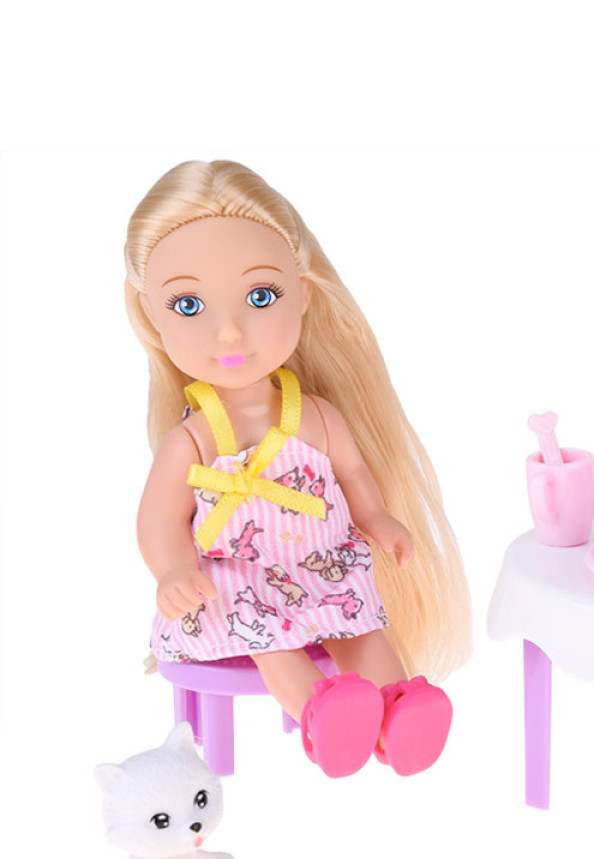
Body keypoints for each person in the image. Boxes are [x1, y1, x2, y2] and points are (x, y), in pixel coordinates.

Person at [127, 161, 470, 777]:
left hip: (320, 563)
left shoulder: (315, 415)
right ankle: (323, 715)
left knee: (360, 621)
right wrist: (174, 569)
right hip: (236, 579)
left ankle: (398, 712)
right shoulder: (194, 439)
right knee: (266, 635)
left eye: (261, 297)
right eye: (188, 305)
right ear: (151, 313)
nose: (229, 331)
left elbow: (354, 475)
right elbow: (159, 519)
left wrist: (378, 518)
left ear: (304, 293)